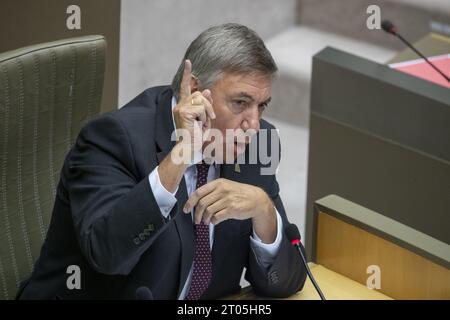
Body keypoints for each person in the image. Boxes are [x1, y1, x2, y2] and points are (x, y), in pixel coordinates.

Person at [18, 23, 307, 299]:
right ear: (195, 92)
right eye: (240, 103)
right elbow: (107, 254)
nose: (254, 125)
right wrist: (182, 154)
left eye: (262, 106)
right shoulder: (114, 139)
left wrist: (264, 212)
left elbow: (286, 282)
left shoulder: (257, 146)